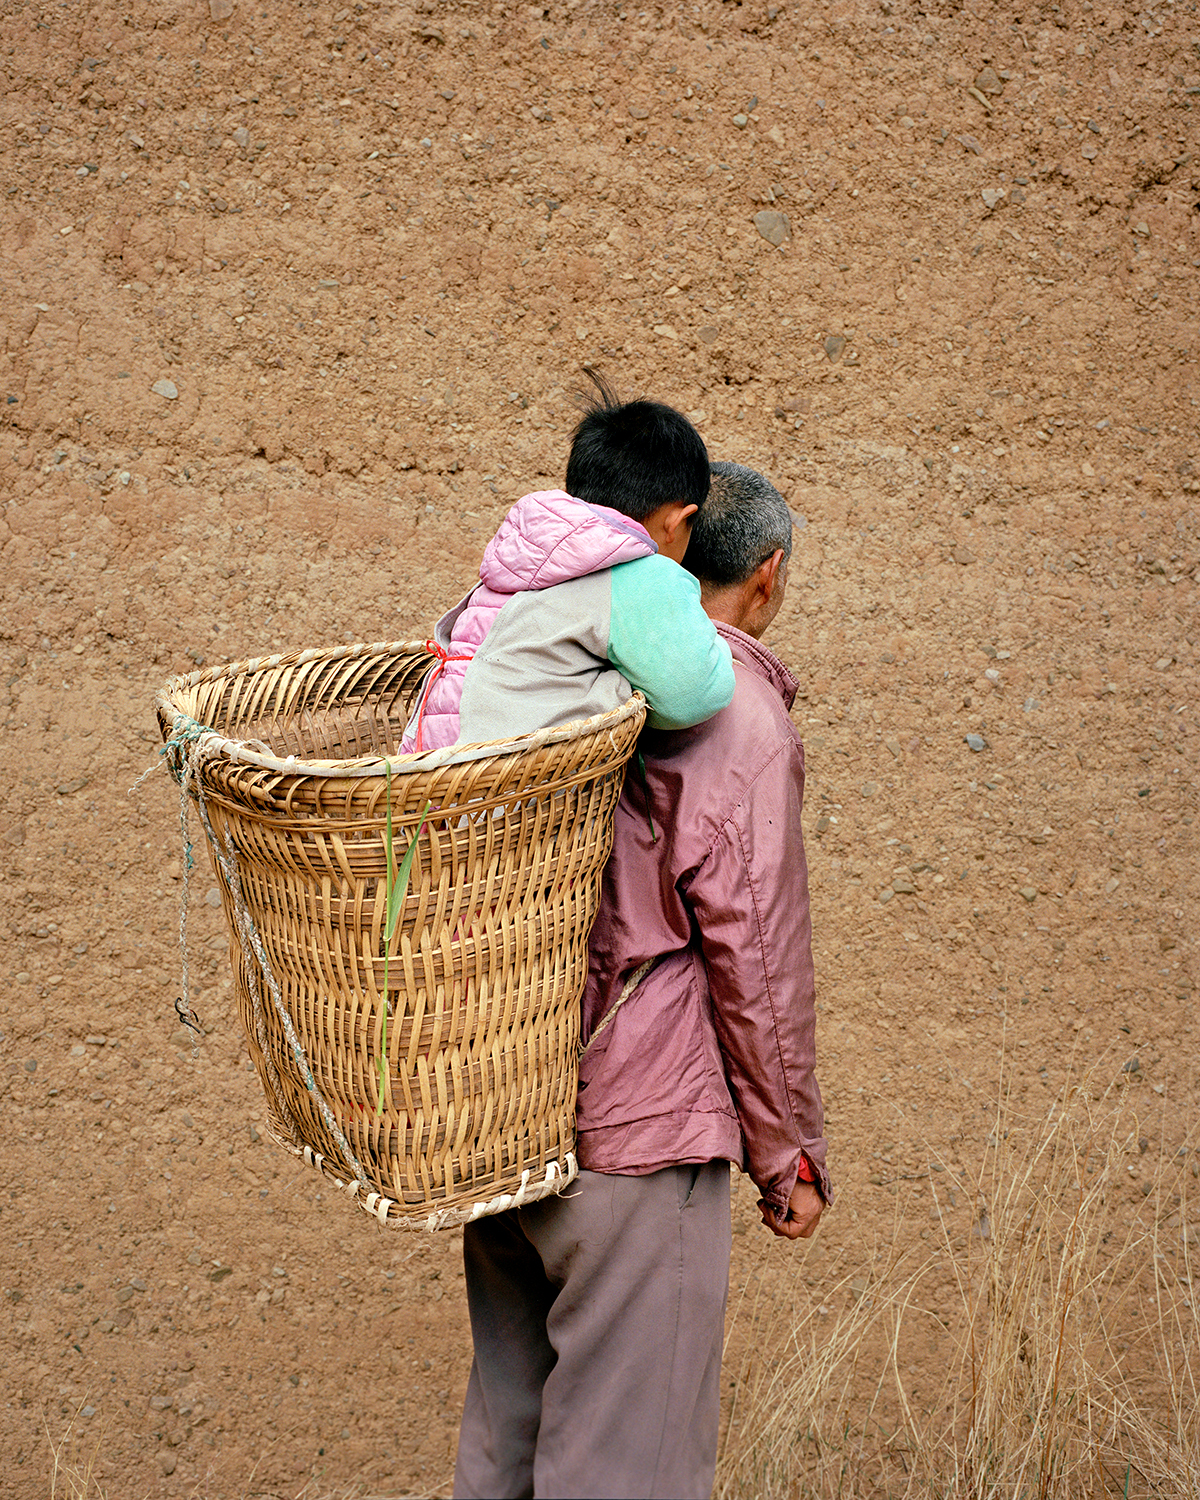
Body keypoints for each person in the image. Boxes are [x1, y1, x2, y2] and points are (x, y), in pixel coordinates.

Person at [453, 460, 830, 1500]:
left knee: (507, 1450)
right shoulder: (737, 718)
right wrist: (787, 1149)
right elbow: (755, 955)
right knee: (631, 1471)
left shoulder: (569, 665)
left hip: (506, 1104)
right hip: (641, 1140)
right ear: (770, 573)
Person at [398, 376, 735, 752]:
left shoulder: (525, 550)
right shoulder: (641, 573)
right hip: (509, 791)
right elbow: (693, 694)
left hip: (433, 774)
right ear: (677, 521)